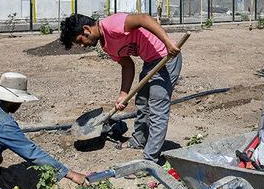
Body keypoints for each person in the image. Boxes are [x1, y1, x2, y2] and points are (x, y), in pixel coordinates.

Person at [60, 13, 181, 164]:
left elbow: (144, 18)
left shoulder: (112, 25)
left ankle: (150, 160)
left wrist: (167, 42)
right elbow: (127, 64)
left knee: (157, 110)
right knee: (142, 104)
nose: (83, 46)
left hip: (166, 58)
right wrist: (123, 94)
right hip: (150, 62)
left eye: (80, 41)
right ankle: (139, 140)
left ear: (86, 29)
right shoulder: (106, 45)